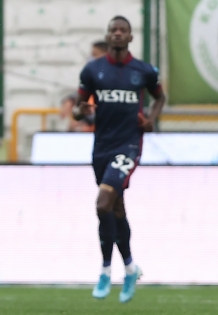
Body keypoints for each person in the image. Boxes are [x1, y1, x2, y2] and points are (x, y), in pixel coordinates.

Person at [73, 16, 165, 303]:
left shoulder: (144, 71)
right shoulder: (93, 70)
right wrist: (81, 112)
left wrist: (151, 119)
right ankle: (130, 268)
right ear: (108, 35)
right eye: (113, 29)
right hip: (102, 147)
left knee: (103, 203)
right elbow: (78, 107)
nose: (117, 33)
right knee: (115, 209)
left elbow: (160, 97)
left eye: (122, 30)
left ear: (130, 37)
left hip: (129, 146)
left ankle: (104, 270)